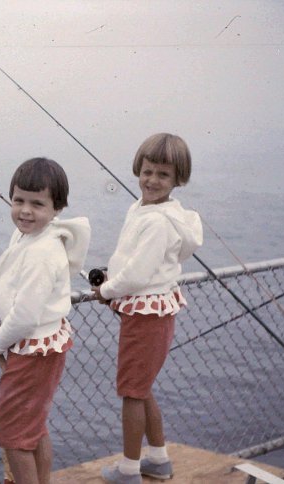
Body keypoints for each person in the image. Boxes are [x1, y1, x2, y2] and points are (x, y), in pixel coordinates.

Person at [0, 157, 91, 484]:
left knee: (13, 434)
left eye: (37, 204)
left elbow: (24, 317)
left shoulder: (42, 252)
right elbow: (16, 288)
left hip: (32, 350)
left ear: (57, 208)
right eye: (19, 200)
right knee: (33, 425)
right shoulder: (31, 238)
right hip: (42, 346)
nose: (25, 210)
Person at [92, 133, 203, 484]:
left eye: (163, 175)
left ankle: (128, 470)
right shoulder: (146, 209)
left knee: (131, 392)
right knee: (142, 386)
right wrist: (116, 283)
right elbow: (137, 263)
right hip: (150, 309)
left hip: (146, 314)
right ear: (139, 169)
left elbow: (139, 274)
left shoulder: (156, 221)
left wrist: (107, 289)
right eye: (148, 171)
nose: (152, 180)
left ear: (177, 180)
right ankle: (158, 459)